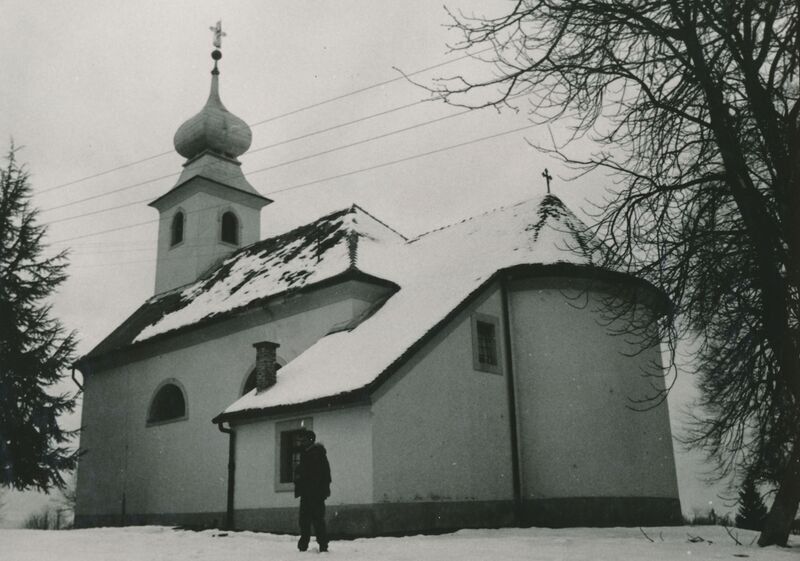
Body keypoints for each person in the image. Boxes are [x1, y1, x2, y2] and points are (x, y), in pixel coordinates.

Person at [294, 429, 331, 552]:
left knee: (317, 520)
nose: (301, 443)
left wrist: (323, 490)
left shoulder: (317, 454)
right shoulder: (306, 454)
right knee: (304, 520)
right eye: (300, 440)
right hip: (307, 493)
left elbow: (325, 474)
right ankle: (304, 545)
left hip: (316, 494)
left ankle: (322, 545)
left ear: (310, 440)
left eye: (303, 440)